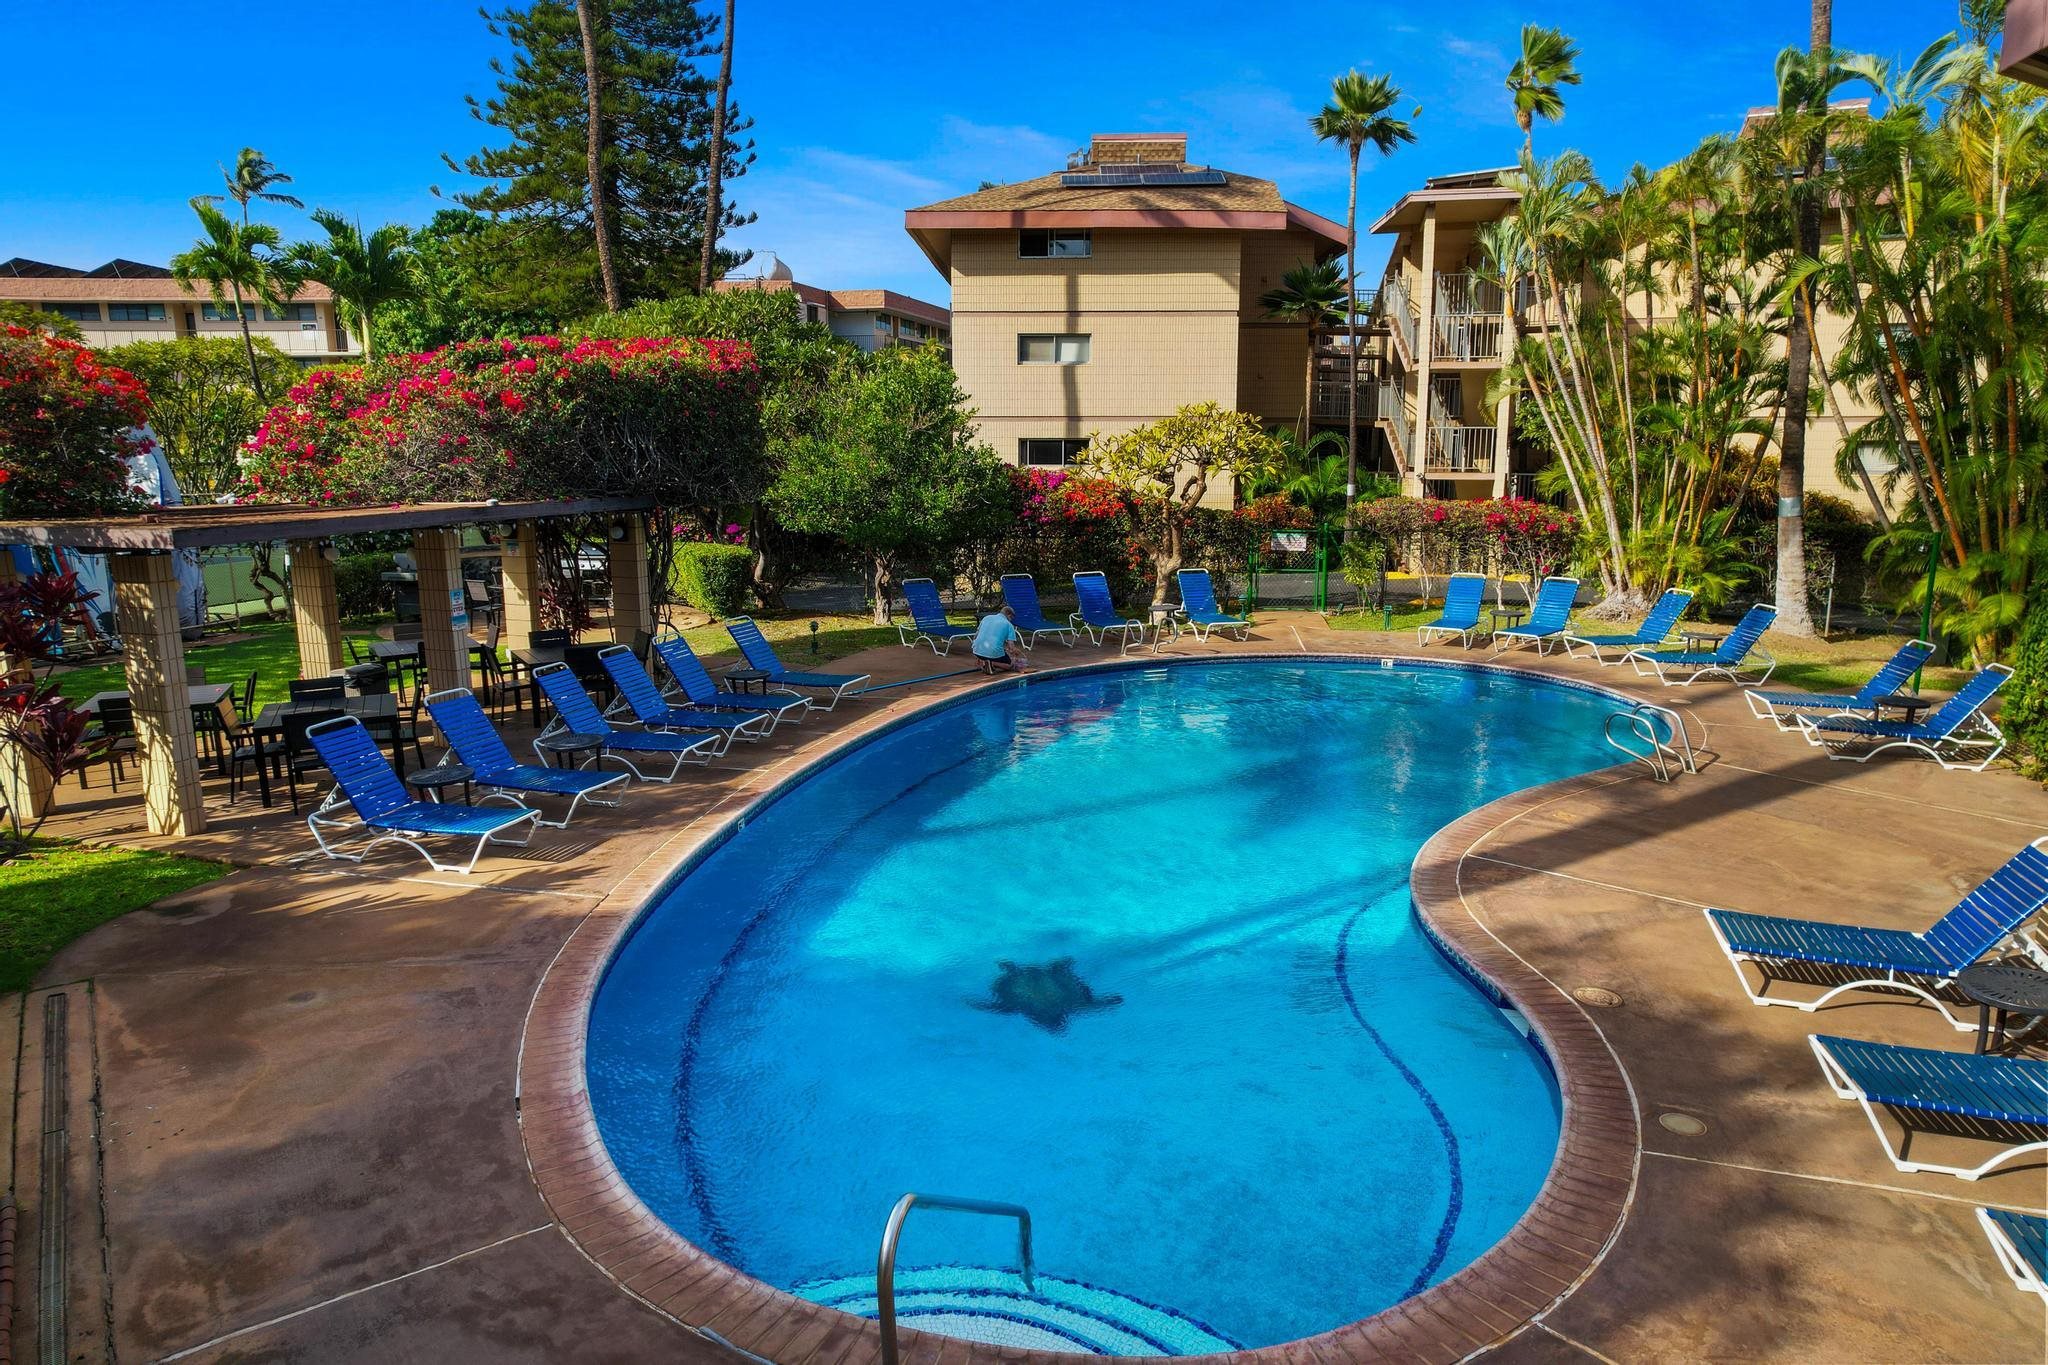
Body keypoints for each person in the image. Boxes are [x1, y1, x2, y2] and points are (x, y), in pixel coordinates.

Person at [971, 604, 1029, 674]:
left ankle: (983, 661)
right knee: (1009, 665)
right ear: (1009, 615)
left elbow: (975, 636)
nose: (1011, 621)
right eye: (1011, 619)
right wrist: (1017, 652)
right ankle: (991, 663)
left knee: (1000, 651)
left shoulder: (986, 618)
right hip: (992, 653)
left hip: (976, 650)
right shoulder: (1008, 625)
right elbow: (1011, 648)